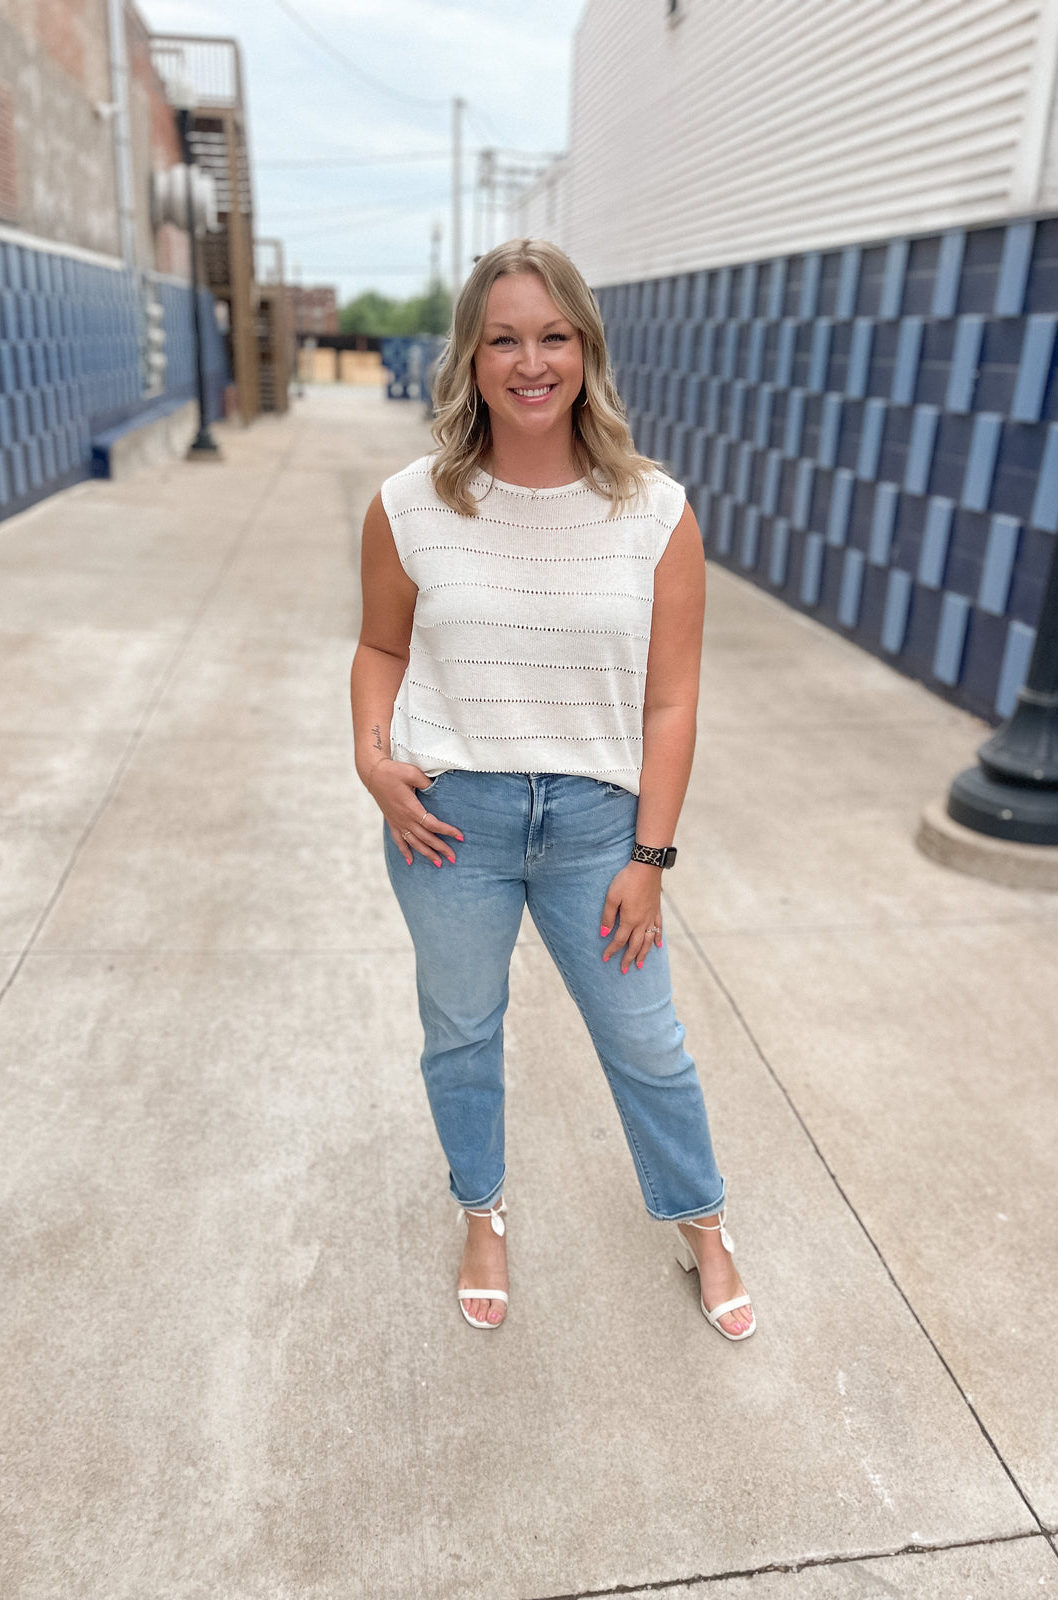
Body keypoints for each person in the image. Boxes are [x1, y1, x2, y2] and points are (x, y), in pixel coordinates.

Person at [350, 239, 755, 1341]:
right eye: (504, 339)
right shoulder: (410, 504)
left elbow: (671, 702)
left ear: (586, 348)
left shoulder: (656, 513)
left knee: (646, 1040)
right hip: (449, 824)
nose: (532, 362)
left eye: (553, 336)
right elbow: (381, 649)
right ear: (471, 359)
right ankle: (481, 1210)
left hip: (595, 830)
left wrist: (650, 857)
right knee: (462, 1030)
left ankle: (702, 1221)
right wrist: (370, 755)